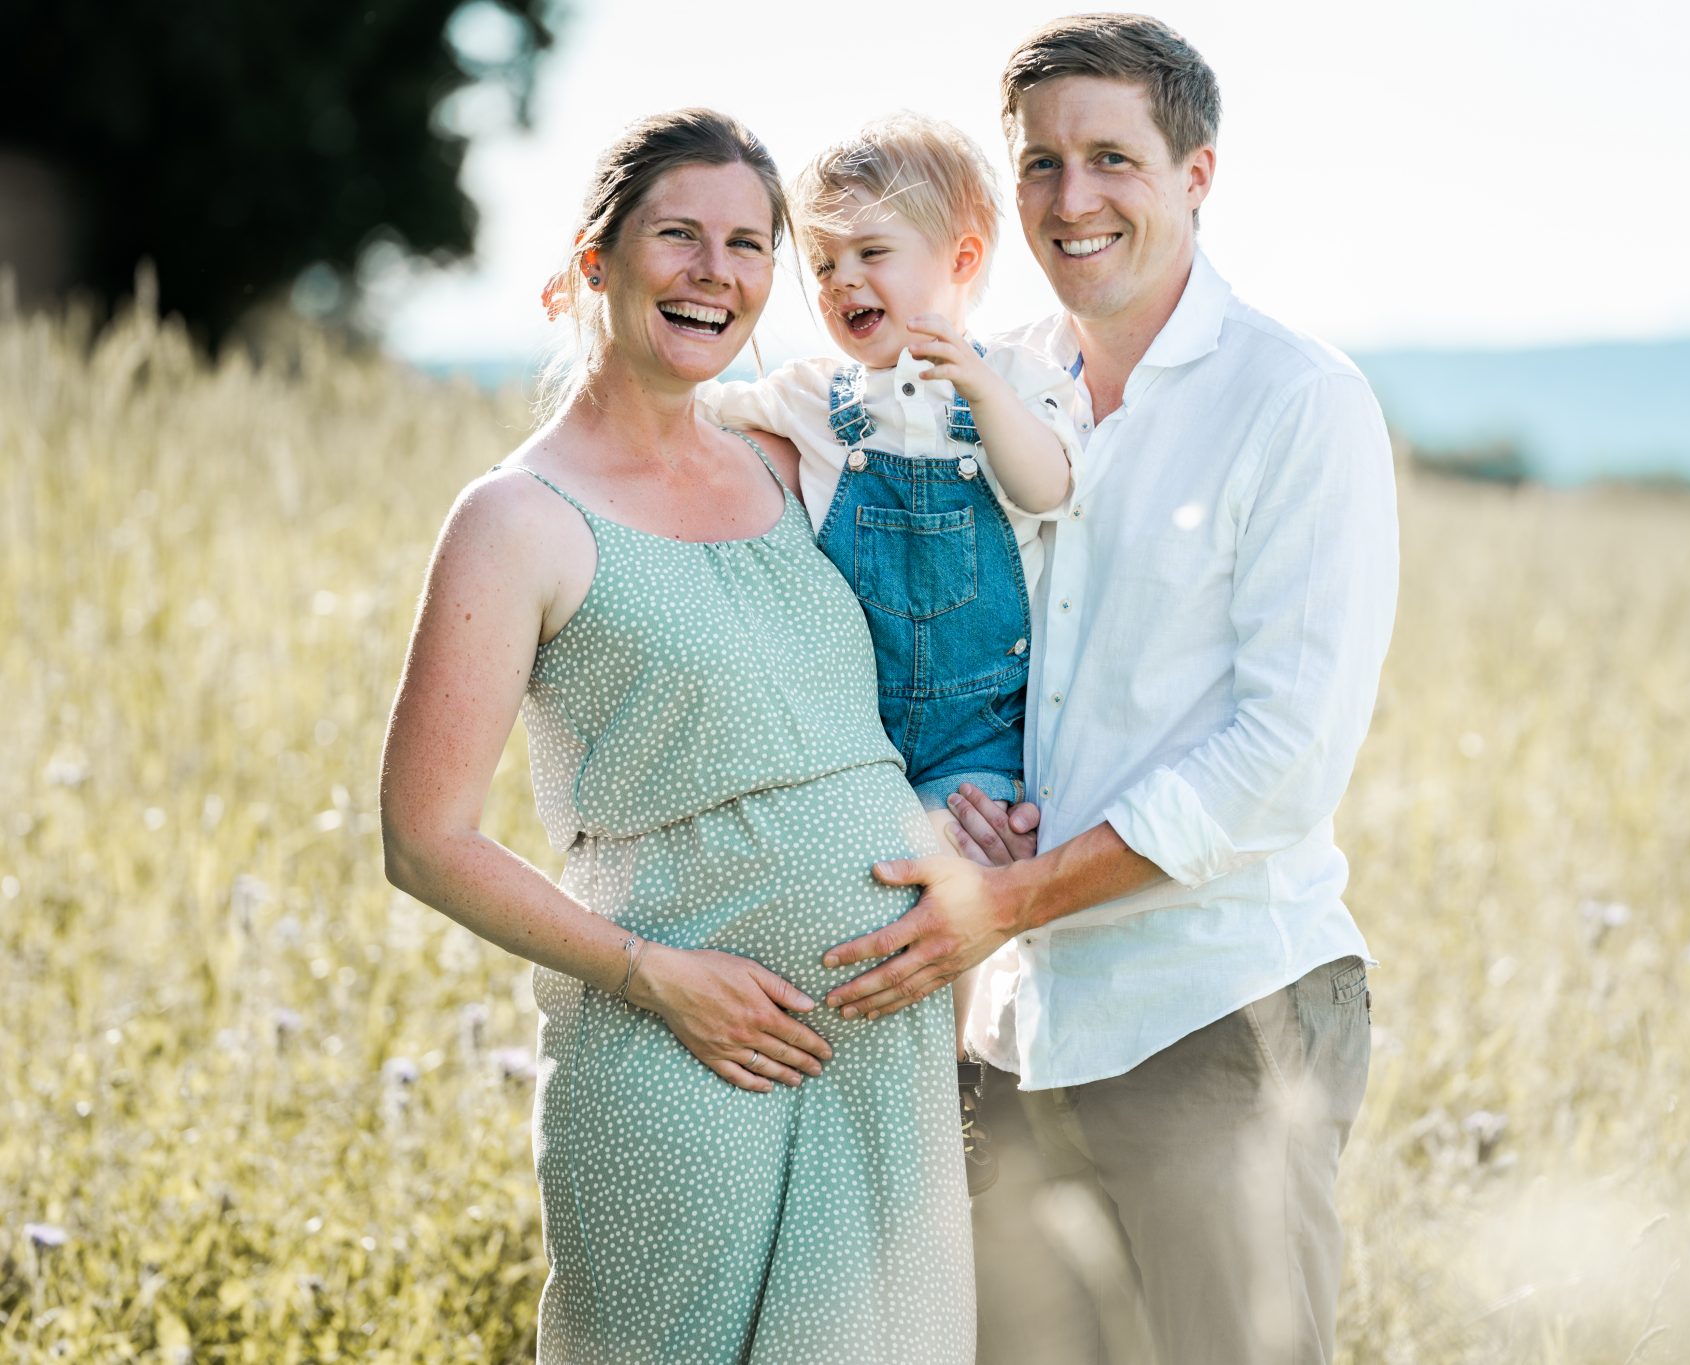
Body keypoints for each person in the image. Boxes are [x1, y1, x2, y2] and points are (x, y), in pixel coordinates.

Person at [815, 16, 1400, 1365]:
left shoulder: (1297, 401)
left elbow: (1283, 756)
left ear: (1196, 175)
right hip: (1018, 1028)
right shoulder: (983, 378)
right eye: (1040, 163)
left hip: (1219, 1012)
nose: (1071, 198)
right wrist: (963, 806)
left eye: (1111, 159)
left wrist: (1017, 894)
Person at [378, 108, 973, 1364]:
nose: (716, 272)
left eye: (749, 245)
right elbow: (424, 840)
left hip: (888, 1052)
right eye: (679, 236)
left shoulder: (790, 461)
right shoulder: (516, 517)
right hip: (681, 1054)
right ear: (595, 261)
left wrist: (974, 822)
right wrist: (653, 977)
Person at [701, 112, 1083, 1193]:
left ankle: (946, 1099)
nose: (842, 282)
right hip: (854, 732)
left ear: (961, 259)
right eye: (824, 263)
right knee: (847, 899)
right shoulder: (815, 399)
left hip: (975, 738)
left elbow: (1049, 484)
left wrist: (980, 390)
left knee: (942, 892)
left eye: (872, 252)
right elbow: (699, 410)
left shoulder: (1020, 381)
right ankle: (829, 1105)